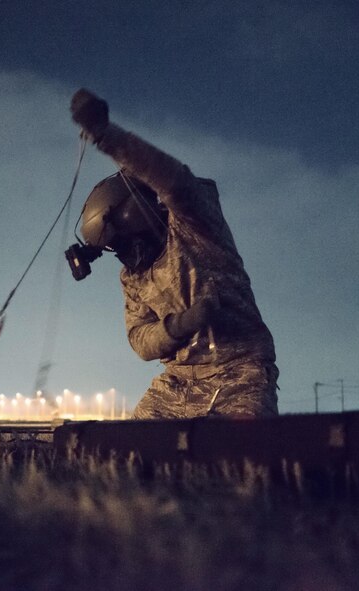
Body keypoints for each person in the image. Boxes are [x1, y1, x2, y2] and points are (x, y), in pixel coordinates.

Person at [70, 89, 278, 419]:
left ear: (135, 217)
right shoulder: (133, 277)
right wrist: (179, 326)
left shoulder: (195, 226)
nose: (124, 256)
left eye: (124, 242)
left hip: (241, 374)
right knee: (126, 453)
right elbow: (140, 339)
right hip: (178, 384)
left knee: (240, 458)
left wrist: (106, 136)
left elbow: (173, 181)